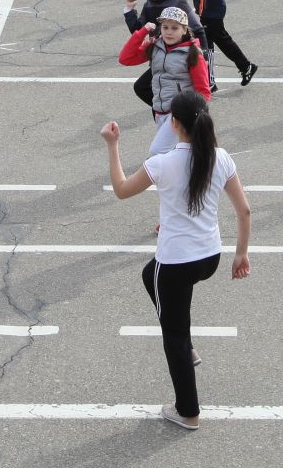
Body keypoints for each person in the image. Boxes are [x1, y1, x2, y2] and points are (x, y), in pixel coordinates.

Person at [100, 93, 252, 430]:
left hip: (176, 263)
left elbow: (122, 190)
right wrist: (241, 253)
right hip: (209, 257)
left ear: (174, 124)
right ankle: (189, 348)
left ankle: (188, 411)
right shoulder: (221, 157)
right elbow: (244, 210)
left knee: (174, 336)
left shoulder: (163, 163)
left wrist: (112, 145)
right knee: (147, 274)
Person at [117, 5, 214, 154]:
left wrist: (196, 117)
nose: (169, 32)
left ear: (184, 30)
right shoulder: (155, 46)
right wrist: (143, 31)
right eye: (165, 27)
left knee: (157, 153)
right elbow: (125, 58)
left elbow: (203, 91)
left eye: (174, 28)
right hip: (160, 112)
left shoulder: (192, 53)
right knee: (177, 154)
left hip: (180, 114)